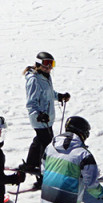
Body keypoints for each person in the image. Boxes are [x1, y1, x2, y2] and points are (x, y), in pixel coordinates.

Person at [17, 53, 69, 184]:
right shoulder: (34, 80)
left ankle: (30, 164)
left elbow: (48, 94)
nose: (49, 67)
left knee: (39, 141)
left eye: (52, 64)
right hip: (40, 119)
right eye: (46, 64)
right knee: (47, 146)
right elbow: (31, 103)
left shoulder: (45, 76)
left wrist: (59, 96)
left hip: (47, 118)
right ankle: (43, 177)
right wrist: (38, 115)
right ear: (38, 63)